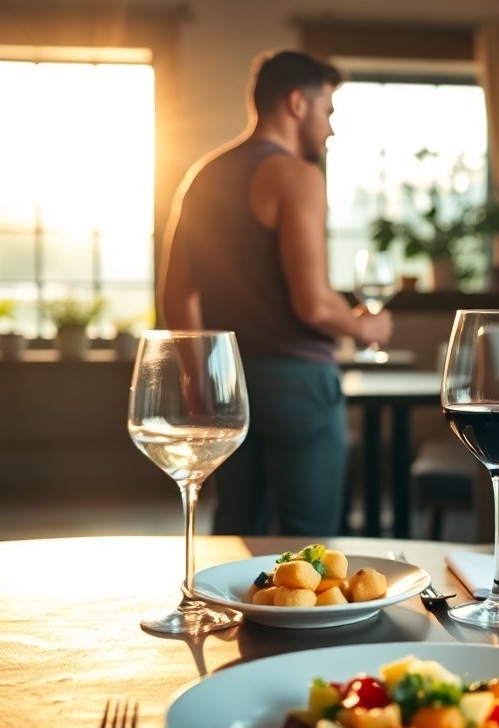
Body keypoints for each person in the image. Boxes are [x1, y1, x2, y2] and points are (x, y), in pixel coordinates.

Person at [160, 50, 392, 536]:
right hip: (298, 386)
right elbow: (311, 302)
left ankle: (223, 613)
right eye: (327, 110)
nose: (331, 128)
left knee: (236, 529)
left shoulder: (202, 176)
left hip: (230, 384)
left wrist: (200, 379)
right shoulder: (297, 176)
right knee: (308, 537)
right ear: (296, 103)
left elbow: (177, 295)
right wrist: (365, 326)